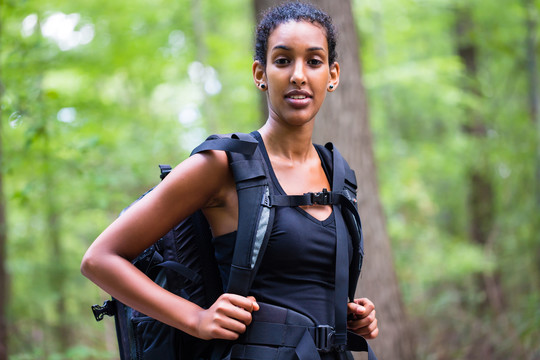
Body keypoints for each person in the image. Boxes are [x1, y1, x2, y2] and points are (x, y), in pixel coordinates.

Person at [81, 1, 378, 359]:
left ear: (332, 75)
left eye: (313, 61)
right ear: (260, 73)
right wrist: (196, 319)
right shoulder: (224, 164)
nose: (298, 75)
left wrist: (353, 317)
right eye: (282, 60)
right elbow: (100, 258)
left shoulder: (339, 175)